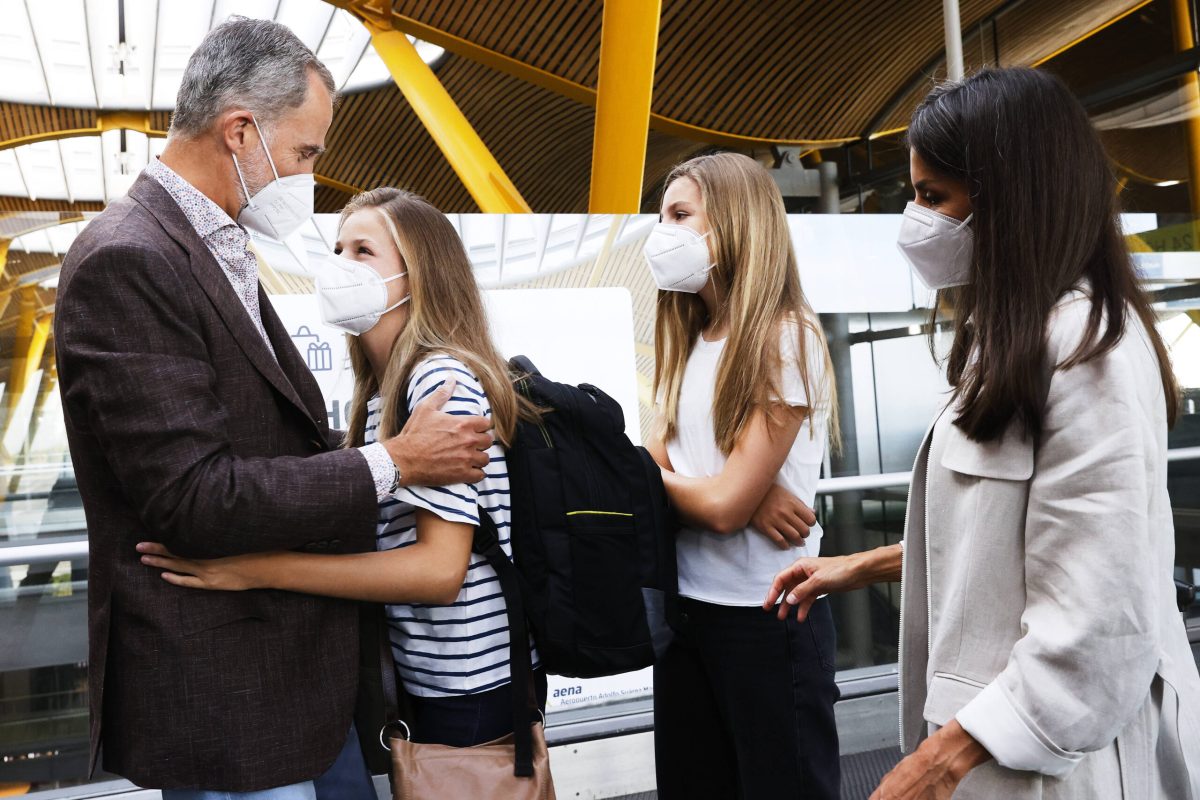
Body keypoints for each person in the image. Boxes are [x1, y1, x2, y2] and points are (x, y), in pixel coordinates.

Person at [54, 19, 491, 799]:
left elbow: (260, 432)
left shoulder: (209, 245)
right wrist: (396, 462)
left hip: (281, 685)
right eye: (306, 153)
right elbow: (195, 496)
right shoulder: (131, 256)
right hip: (227, 692)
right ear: (241, 132)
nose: (309, 175)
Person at [765, 67, 1200, 799]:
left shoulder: (1089, 353)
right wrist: (858, 566)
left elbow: (1102, 619)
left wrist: (937, 765)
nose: (916, 218)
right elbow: (1009, 539)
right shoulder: (1022, 338)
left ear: (1012, 201)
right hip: (997, 748)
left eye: (934, 196)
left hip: (1052, 763)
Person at [136, 187, 548, 749]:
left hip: (472, 686)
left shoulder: (438, 381)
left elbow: (438, 572)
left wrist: (257, 568)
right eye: (338, 249)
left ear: (418, 276)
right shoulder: (383, 392)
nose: (340, 266)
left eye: (363, 251)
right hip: (430, 680)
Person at [644, 151, 840, 799]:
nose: (662, 230)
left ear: (733, 222)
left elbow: (716, 502)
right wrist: (739, 489)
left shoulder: (786, 336)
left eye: (680, 214)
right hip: (688, 615)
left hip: (769, 618)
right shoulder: (688, 334)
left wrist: (734, 494)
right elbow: (654, 464)